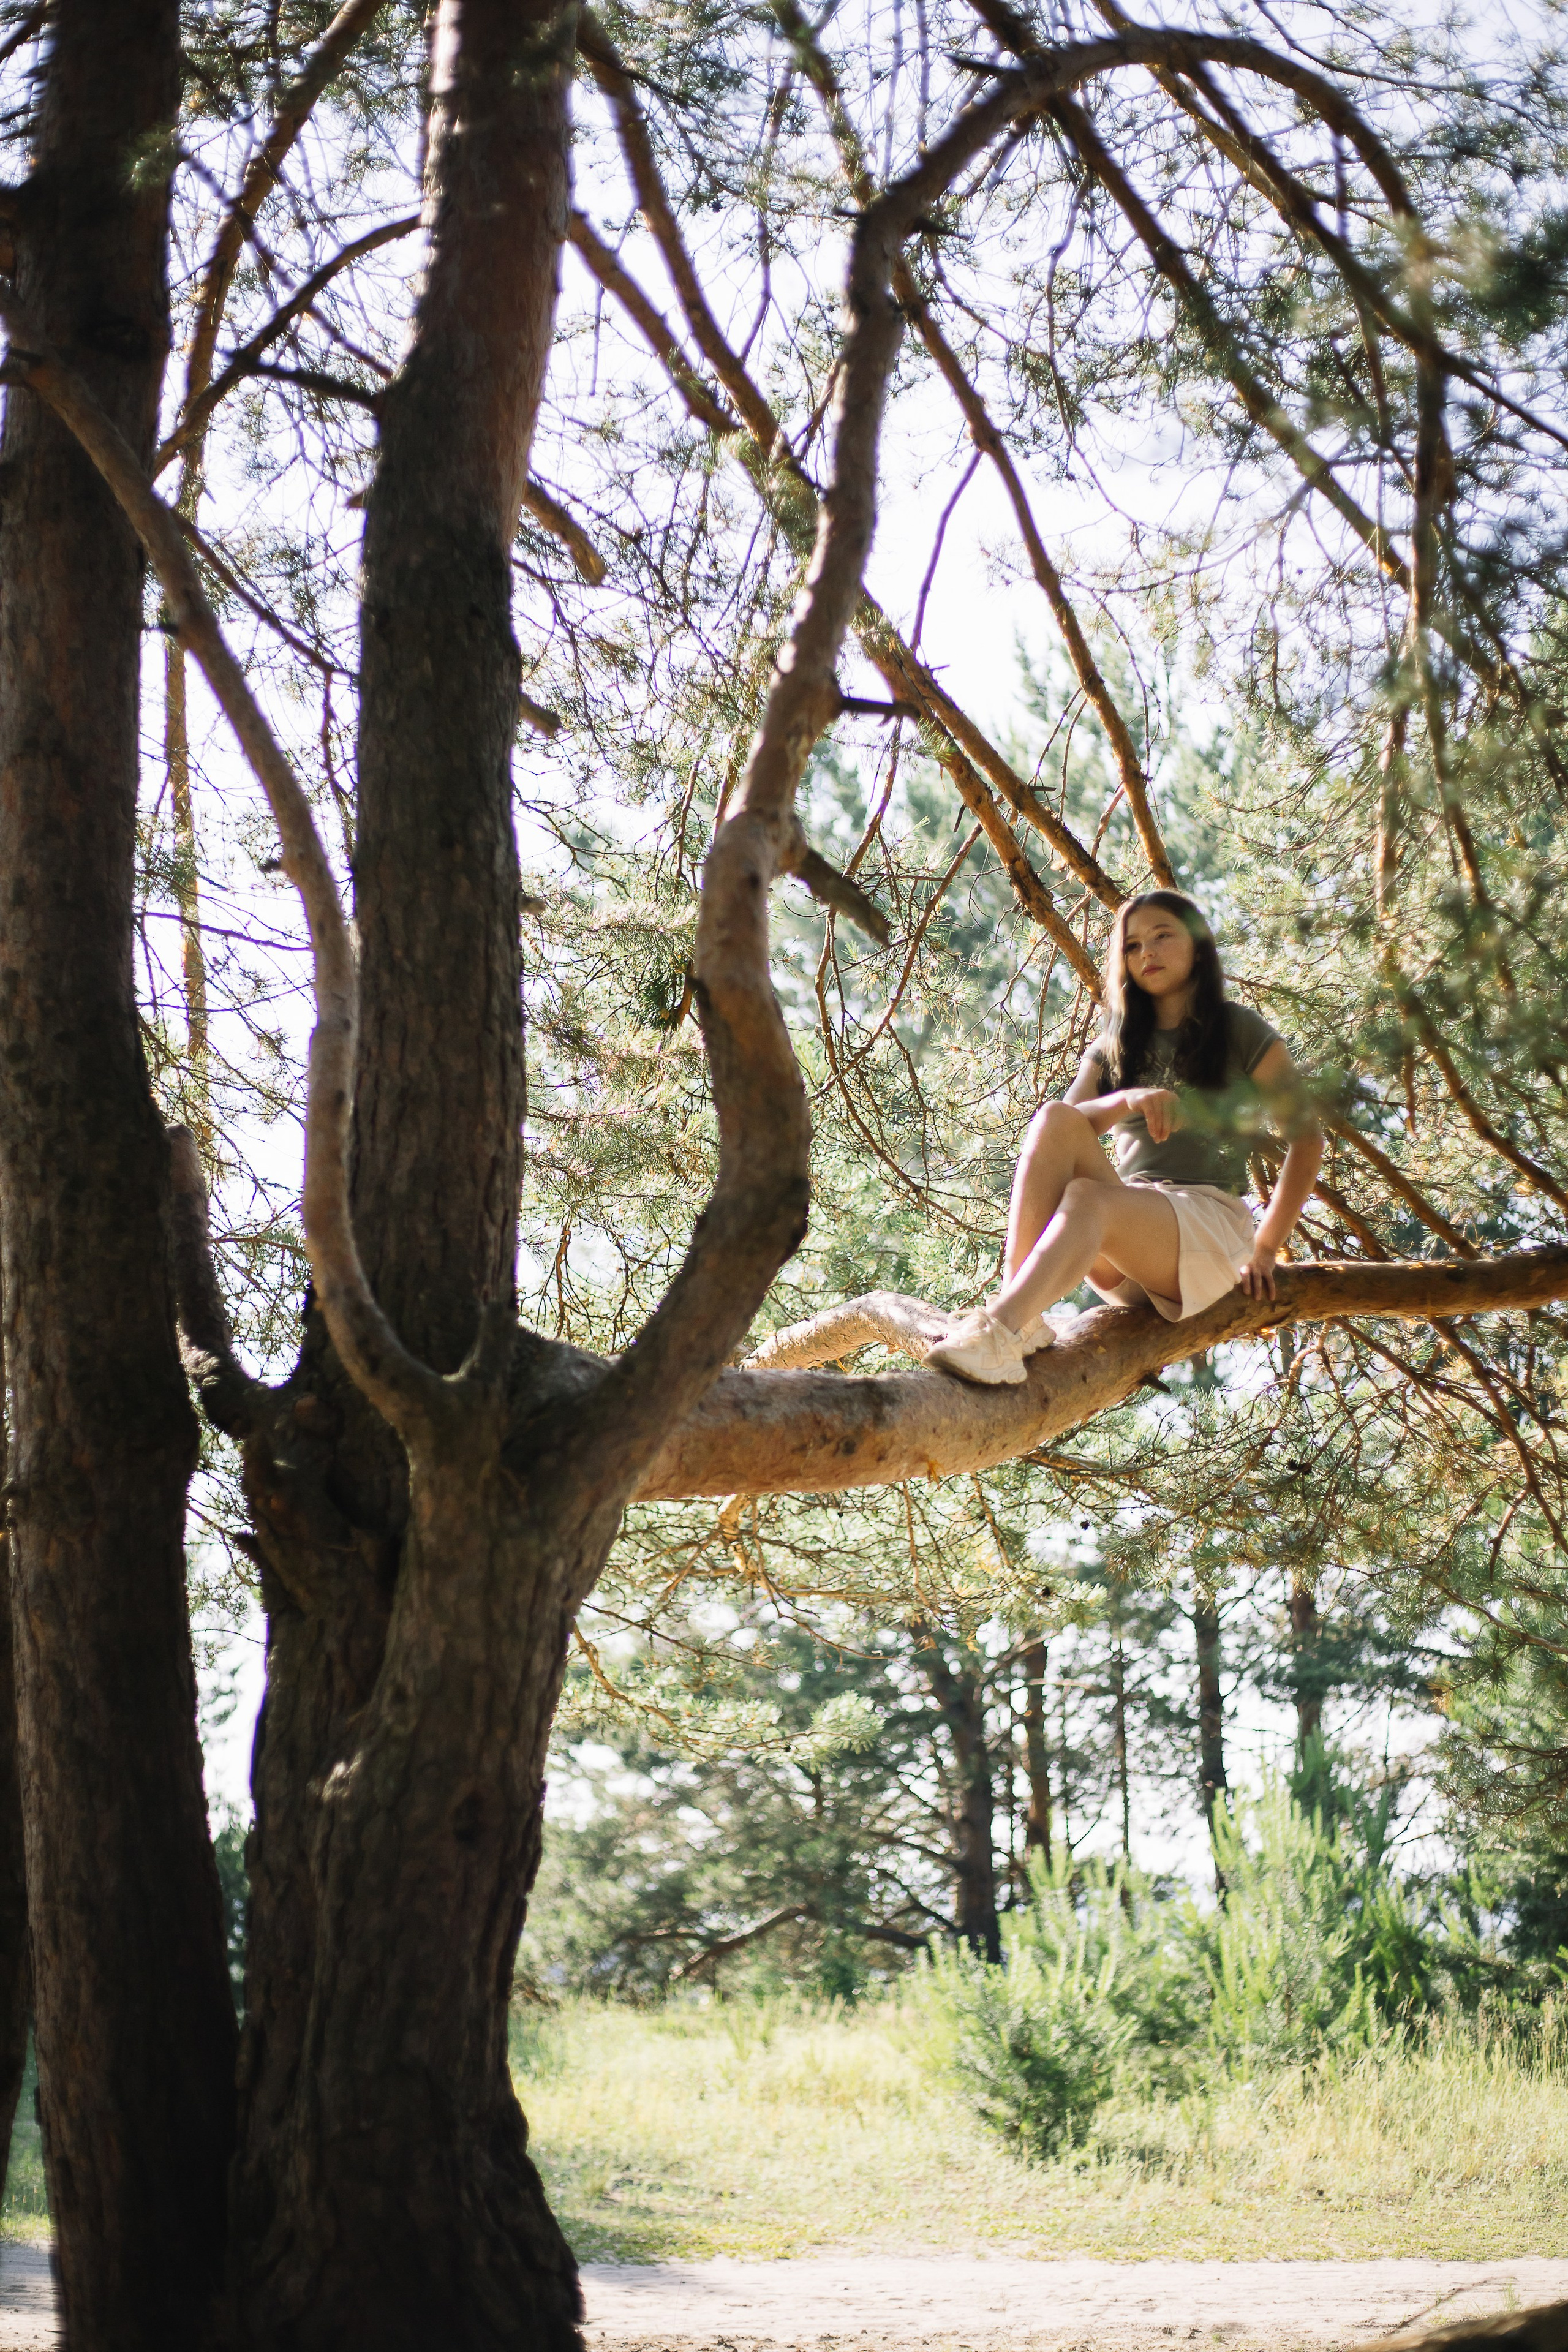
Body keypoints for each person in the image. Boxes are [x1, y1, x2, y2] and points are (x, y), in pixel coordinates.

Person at [925, 889, 1322, 1386]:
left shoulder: (1237, 1027)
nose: (1147, 953)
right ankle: (1014, 1320)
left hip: (1206, 1231)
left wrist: (1266, 1248)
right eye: (1132, 946)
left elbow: (1307, 1140)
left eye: (1162, 937)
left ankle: (1002, 1326)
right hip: (1128, 1241)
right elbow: (1065, 1128)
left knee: (1088, 1198)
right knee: (1053, 1119)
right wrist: (1125, 1101)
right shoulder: (1119, 1039)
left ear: (1198, 947)